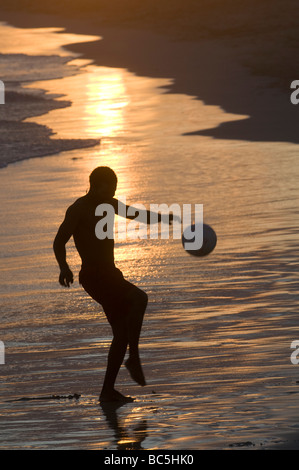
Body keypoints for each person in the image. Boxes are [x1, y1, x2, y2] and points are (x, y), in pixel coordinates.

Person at [53, 166, 175, 403]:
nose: (112, 195)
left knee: (120, 334)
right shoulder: (78, 210)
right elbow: (59, 242)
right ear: (95, 185)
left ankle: (107, 391)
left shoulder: (109, 204)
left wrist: (167, 217)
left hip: (110, 275)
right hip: (94, 276)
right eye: (109, 190)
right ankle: (134, 357)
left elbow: (137, 214)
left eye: (115, 191)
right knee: (139, 298)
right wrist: (64, 267)